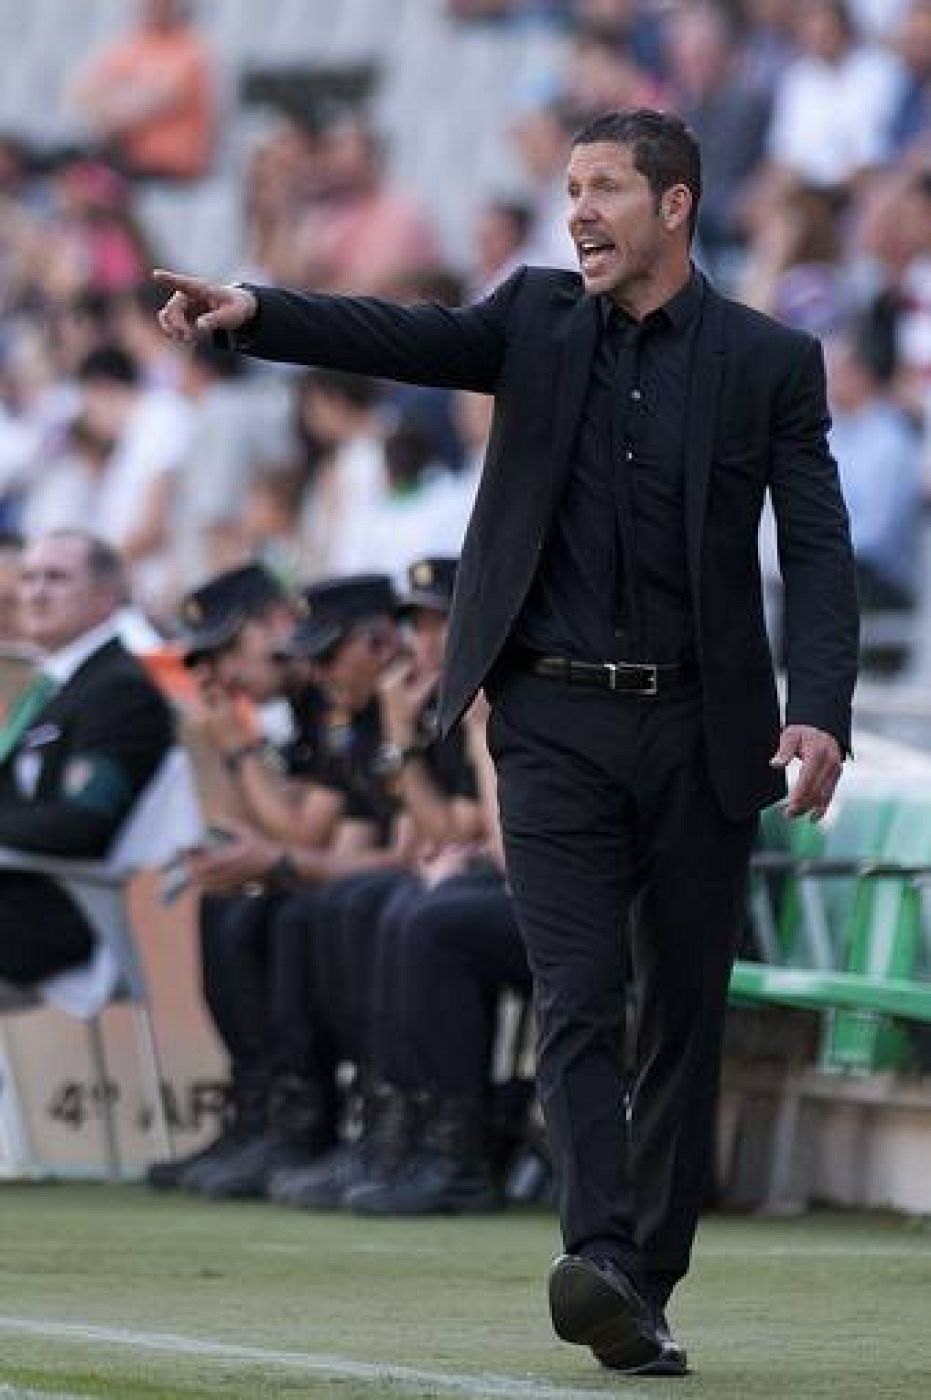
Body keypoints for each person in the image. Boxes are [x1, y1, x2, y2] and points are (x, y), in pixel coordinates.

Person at [154, 107, 860, 1378]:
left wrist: (820, 703)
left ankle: (645, 1278)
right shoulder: (532, 316)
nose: (577, 209)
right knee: (578, 995)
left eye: (602, 189)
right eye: (569, 187)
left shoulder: (771, 361)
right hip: (550, 721)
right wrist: (257, 310)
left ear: (676, 204)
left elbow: (813, 548)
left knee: (683, 1014)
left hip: (707, 728)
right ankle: (596, 1254)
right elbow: (403, 335)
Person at [0, 529, 173, 987]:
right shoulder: (57, 687)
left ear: (106, 598)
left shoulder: (117, 689)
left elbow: (85, 822)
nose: (35, 592)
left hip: (61, 909)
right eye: (29, 577)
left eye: (56, 578)